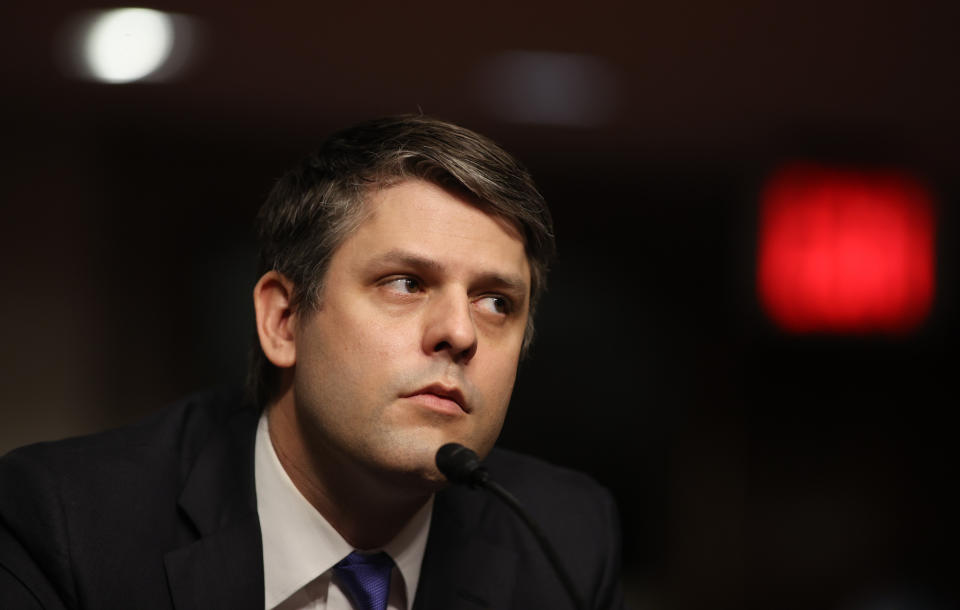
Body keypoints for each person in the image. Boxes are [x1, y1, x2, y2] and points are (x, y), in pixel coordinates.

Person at [0, 115, 625, 609]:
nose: (460, 332)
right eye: (405, 283)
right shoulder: (67, 522)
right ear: (283, 320)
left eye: (496, 302)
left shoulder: (563, 537)